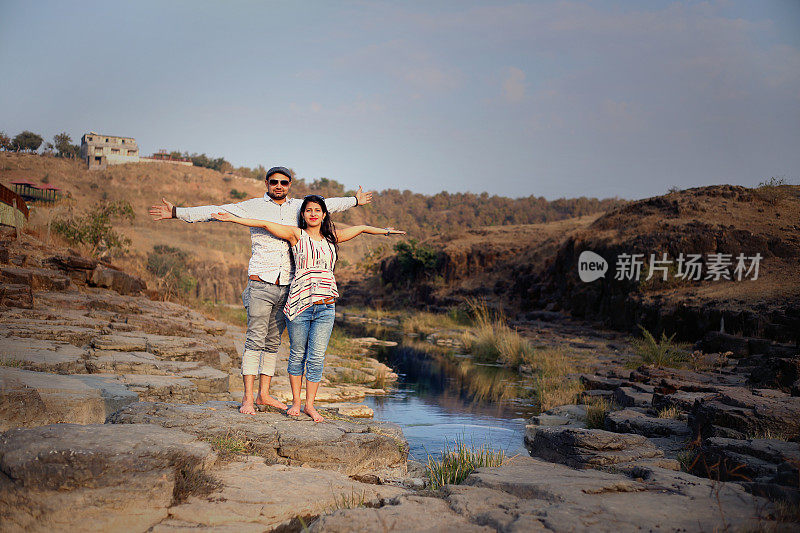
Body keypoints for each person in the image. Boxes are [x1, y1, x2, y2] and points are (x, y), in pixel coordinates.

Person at [149, 167, 372, 415]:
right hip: (261, 282)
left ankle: (263, 395)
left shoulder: (299, 207)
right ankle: (247, 398)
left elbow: (326, 205)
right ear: (266, 183)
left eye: (284, 182)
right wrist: (177, 213)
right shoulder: (252, 206)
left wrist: (354, 201)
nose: (279, 186)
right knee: (255, 339)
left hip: (288, 285)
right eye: (274, 182)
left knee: (273, 342)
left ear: (290, 184)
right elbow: (214, 211)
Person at [212, 195, 404, 422]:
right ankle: (295, 403)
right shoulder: (296, 235)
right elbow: (263, 223)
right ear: (303, 215)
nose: (313, 213)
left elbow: (360, 228)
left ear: (324, 215)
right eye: (308, 210)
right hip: (299, 305)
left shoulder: (333, 238)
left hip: (325, 307)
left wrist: (386, 232)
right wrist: (232, 219)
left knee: (316, 358)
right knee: (297, 355)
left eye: (317, 210)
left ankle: (310, 405)